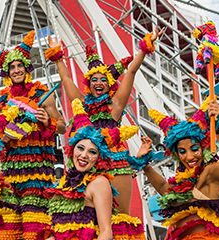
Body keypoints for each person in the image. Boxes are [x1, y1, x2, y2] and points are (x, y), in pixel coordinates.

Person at [45, 27, 164, 217]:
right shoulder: (81, 104)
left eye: (103, 80)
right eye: (94, 79)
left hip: (114, 163)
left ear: (109, 84)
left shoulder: (115, 106)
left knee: (121, 217)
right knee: (85, 219)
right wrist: (58, 55)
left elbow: (131, 71)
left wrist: (145, 47)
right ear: (89, 83)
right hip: (84, 163)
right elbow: (65, 78)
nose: (98, 83)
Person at [0, 30, 67, 240]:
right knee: (7, 231)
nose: (16, 69)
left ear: (27, 67)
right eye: (12, 67)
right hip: (9, 170)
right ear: (6, 71)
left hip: (37, 171)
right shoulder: (2, 99)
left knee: (34, 229)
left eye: (20, 65)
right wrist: (2, 137)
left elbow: (64, 126)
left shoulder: (42, 93)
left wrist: (48, 121)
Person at [38, 98, 147, 240]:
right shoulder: (64, 185)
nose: (84, 155)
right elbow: (58, 230)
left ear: (98, 159)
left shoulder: (99, 183)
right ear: (72, 150)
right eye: (80, 148)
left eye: (92, 152)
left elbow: (106, 232)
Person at [142, 98, 219, 240]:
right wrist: (145, 165)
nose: (189, 157)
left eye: (194, 149)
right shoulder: (180, 183)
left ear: (203, 147)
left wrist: (218, 130)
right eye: (182, 152)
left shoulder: (210, 173)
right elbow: (164, 188)